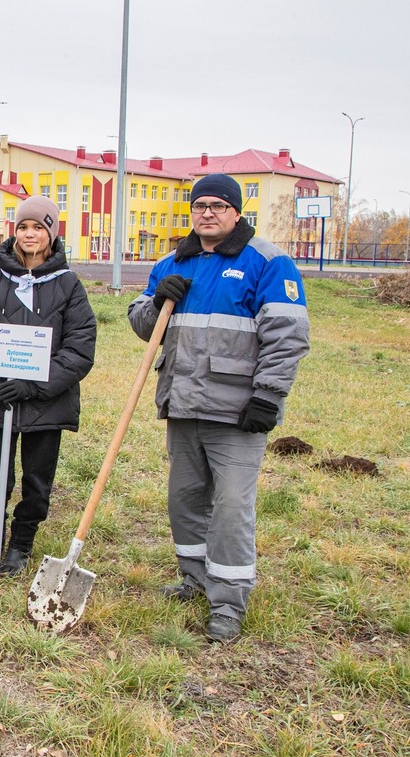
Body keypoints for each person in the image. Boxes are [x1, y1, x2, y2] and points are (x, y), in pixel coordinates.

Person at [127, 173, 310, 643]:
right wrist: (157, 301)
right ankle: (195, 579)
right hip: (184, 404)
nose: (207, 212)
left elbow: (286, 336)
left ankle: (228, 601)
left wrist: (269, 395)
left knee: (231, 507)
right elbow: (145, 326)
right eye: (200, 205)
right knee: (184, 498)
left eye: (218, 205)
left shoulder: (268, 263)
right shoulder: (174, 261)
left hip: (238, 413)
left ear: (235, 211)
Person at [0, 195, 96, 576]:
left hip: (44, 403)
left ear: (52, 232)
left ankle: (21, 543)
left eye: (38, 227)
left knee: (37, 481)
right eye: (23, 227)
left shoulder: (68, 286)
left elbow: (80, 348)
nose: (30, 234)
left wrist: (32, 385)